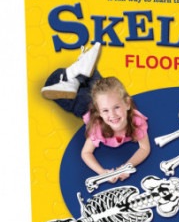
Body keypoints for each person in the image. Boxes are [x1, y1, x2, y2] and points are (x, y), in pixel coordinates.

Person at [41, 43, 150, 183]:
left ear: (127, 104)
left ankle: (78, 72)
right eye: (106, 111)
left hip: (100, 99)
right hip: (84, 105)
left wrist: (127, 166)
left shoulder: (136, 121)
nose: (112, 115)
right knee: (54, 85)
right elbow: (86, 152)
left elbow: (144, 148)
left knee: (95, 81)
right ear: (99, 112)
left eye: (117, 107)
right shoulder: (98, 127)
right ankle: (73, 74)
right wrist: (102, 172)